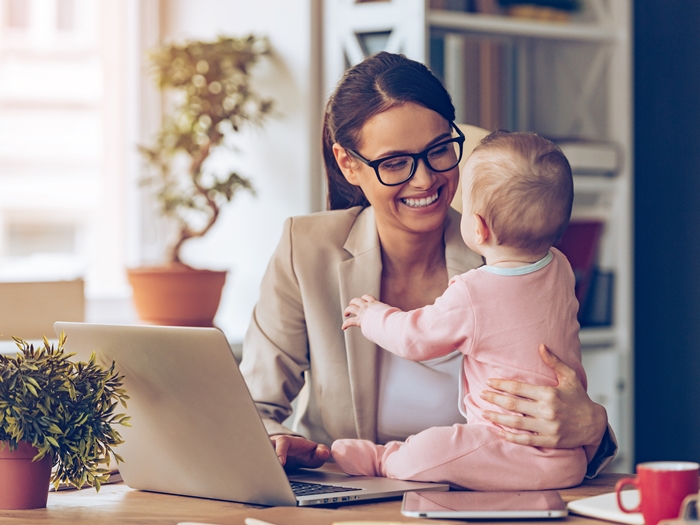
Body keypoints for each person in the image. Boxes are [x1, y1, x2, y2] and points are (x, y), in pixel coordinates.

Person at [238, 51, 616, 478]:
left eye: (439, 150)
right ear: (349, 164)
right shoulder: (305, 249)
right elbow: (252, 407)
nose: (425, 180)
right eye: (395, 163)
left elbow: (561, 392)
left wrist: (593, 425)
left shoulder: (510, 253)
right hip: (348, 499)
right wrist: (277, 444)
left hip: (479, 501)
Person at [332, 130, 587, 490]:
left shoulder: (474, 291)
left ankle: (384, 458)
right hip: (567, 458)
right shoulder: (560, 268)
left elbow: (414, 338)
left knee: (434, 447)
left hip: (504, 444)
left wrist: (371, 315)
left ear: (478, 228)